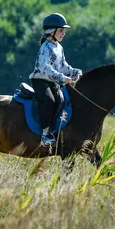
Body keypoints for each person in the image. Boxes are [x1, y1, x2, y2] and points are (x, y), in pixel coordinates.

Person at [29, 13, 82, 147]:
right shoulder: (45, 47)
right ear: (51, 32)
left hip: (52, 81)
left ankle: (54, 132)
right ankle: (45, 135)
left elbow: (63, 66)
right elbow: (45, 69)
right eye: (61, 30)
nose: (63, 33)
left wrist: (75, 72)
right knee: (49, 100)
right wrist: (63, 78)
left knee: (61, 101)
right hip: (40, 81)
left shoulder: (59, 47)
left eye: (64, 31)